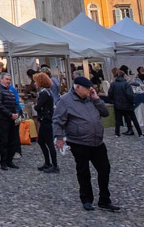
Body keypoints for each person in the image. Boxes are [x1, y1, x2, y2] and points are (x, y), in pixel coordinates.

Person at [54, 75, 119, 212]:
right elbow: (58, 120)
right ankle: (86, 199)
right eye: (87, 88)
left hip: (97, 141)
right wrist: (59, 137)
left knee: (104, 169)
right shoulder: (65, 101)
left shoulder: (91, 98)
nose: (90, 90)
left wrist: (97, 99)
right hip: (79, 142)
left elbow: (105, 113)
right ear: (77, 88)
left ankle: (104, 199)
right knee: (83, 172)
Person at [0, 72, 21, 169]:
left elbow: (15, 103)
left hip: (11, 118)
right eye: (7, 79)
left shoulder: (10, 90)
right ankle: (3, 162)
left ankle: (10, 160)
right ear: (1, 79)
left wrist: (16, 113)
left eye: (9, 79)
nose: (8, 81)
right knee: (4, 141)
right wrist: (10, 114)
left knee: (12, 140)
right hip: (3, 119)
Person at [33, 72, 58, 174]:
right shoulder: (47, 92)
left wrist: (36, 105)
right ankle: (48, 163)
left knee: (48, 143)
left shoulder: (44, 93)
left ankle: (54, 165)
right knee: (41, 142)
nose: (35, 83)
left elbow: (38, 107)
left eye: (35, 81)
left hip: (45, 119)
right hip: (46, 119)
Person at [107, 68, 139, 136]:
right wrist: (132, 102)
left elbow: (110, 93)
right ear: (123, 76)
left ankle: (117, 133)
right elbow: (129, 95)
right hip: (127, 104)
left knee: (118, 119)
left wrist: (113, 100)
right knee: (133, 118)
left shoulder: (113, 84)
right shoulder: (126, 84)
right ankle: (139, 132)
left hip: (118, 104)